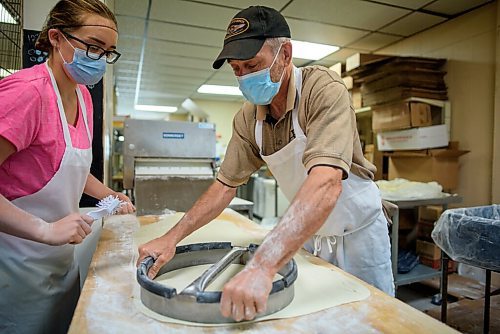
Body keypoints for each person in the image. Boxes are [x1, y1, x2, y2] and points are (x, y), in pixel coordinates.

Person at [137, 5, 394, 322]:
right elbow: (223, 187)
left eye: (252, 64)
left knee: (371, 317)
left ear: (285, 54)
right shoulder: (248, 119)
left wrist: (262, 265)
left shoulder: (322, 90)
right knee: (321, 321)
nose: (244, 76)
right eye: (236, 69)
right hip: (310, 233)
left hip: (359, 235)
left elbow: (327, 184)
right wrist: (171, 238)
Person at [0, 1, 135, 333]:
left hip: (59, 262)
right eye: (93, 46)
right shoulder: (26, 94)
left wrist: (110, 196)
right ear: (57, 38)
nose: (100, 58)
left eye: (108, 52)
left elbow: (64, 166)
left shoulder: (83, 96)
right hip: (15, 268)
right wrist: (45, 230)